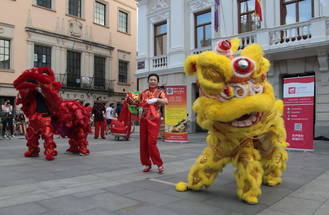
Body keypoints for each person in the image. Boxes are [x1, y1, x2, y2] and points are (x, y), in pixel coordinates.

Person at [139, 73, 168, 174]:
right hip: (143, 118)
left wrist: (156, 99)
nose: (152, 81)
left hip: (154, 119)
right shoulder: (143, 92)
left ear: (157, 82)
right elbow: (138, 103)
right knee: (143, 143)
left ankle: (159, 164)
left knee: (151, 142)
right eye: (150, 79)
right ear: (148, 81)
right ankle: (147, 164)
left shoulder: (160, 92)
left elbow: (166, 101)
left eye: (154, 80)